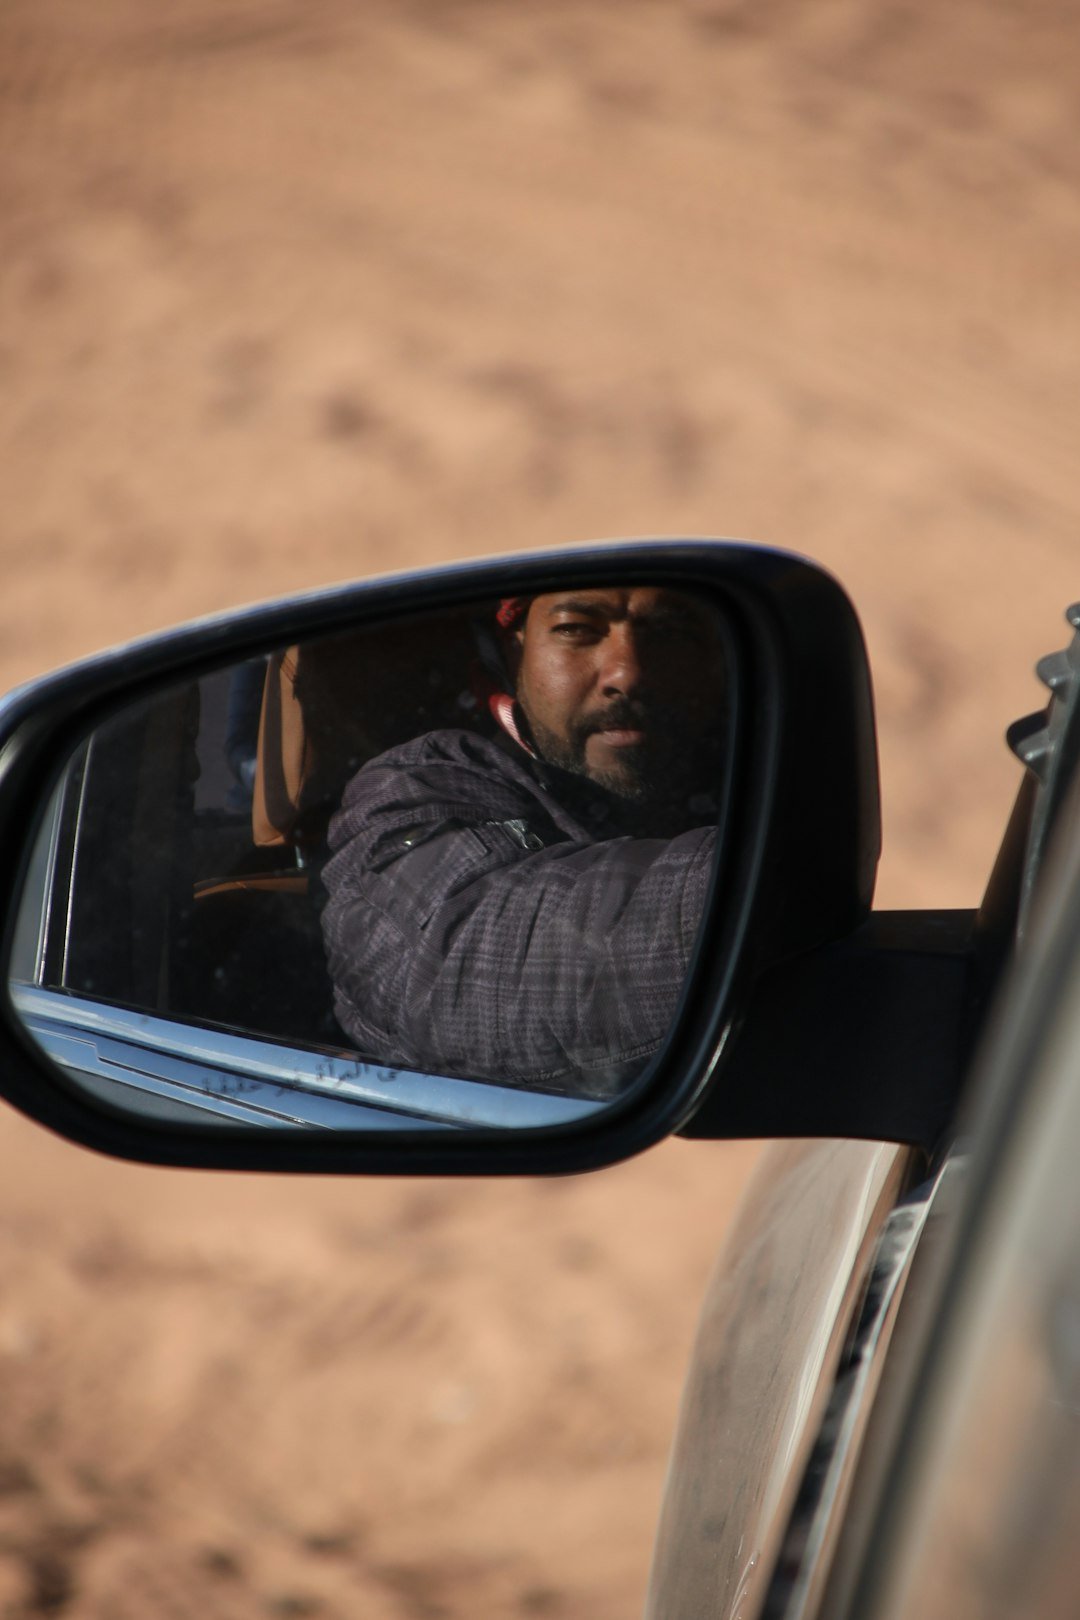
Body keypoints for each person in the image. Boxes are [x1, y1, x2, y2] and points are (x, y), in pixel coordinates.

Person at [320, 585, 728, 1099]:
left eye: (669, 633)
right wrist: (758, 880)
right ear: (512, 651)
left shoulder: (755, 763)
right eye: (577, 629)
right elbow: (468, 976)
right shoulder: (414, 789)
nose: (628, 673)